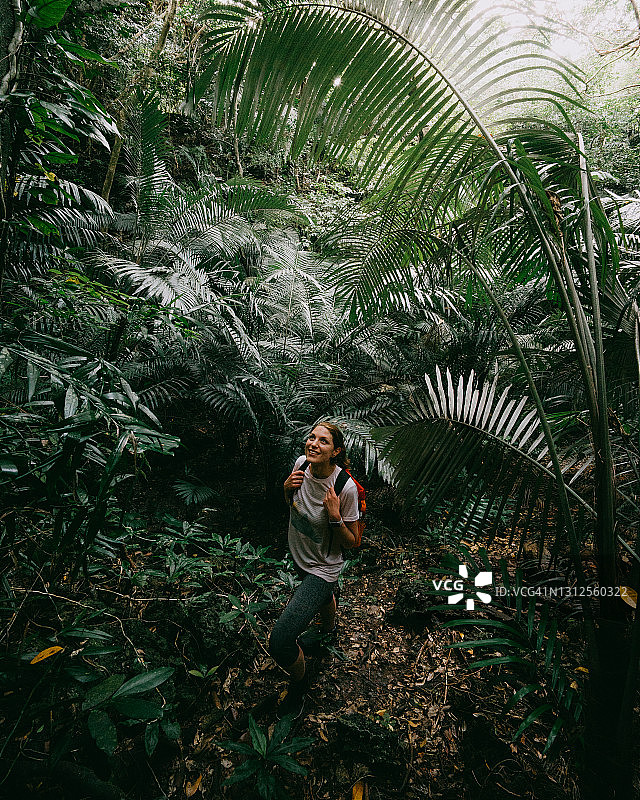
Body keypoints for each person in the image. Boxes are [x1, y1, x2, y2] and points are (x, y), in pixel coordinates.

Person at [268, 422, 359, 719]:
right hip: (299, 557)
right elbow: (292, 507)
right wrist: (284, 491)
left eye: (323, 441)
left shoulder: (344, 488)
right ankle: (329, 629)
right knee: (322, 597)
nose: (313, 444)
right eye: (311, 438)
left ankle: (300, 684)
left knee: (281, 641)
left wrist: (334, 517)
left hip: (324, 567)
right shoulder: (300, 466)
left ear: (336, 451)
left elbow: (354, 543)